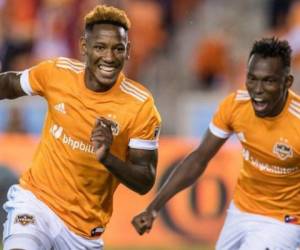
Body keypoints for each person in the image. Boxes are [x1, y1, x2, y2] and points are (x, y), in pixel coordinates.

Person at [1, 5, 161, 250]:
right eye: (100, 47)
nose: (109, 57)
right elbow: (11, 84)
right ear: (84, 47)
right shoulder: (57, 73)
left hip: (84, 232)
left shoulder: (141, 106)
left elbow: (145, 180)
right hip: (36, 203)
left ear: (127, 51)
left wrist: (108, 158)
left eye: (117, 49)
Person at [132, 37, 300, 249]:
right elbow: (198, 159)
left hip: (283, 221)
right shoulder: (235, 106)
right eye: (252, 79)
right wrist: (153, 208)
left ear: (287, 82)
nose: (257, 89)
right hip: (241, 211)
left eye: (268, 81)